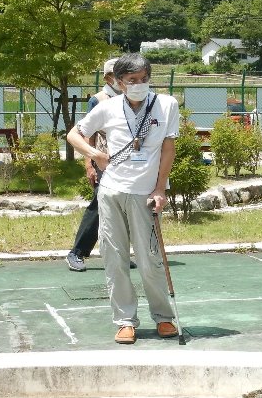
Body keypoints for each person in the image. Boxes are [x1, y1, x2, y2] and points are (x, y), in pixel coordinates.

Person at [66, 52, 179, 344]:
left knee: (149, 259)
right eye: (132, 80)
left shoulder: (166, 105)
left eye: (144, 79)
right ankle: (125, 320)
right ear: (119, 82)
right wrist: (94, 155)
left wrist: (160, 188)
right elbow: (74, 135)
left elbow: (168, 149)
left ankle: (164, 317)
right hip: (112, 191)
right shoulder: (108, 107)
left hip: (145, 193)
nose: (139, 85)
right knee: (114, 258)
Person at [65, 57, 134, 272]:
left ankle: (119, 254)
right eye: (119, 74)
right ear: (108, 77)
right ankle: (76, 252)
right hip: (104, 162)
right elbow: (88, 134)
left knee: (123, 209)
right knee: (98, 206)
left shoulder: (131, 98)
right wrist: (89, 163)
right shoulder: (99, 100)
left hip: (128, 163)